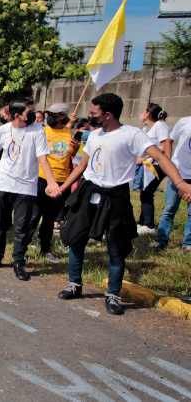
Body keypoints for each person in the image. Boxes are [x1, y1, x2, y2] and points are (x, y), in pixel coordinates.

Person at [57, 93, 191, 315]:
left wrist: (180, 183)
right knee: (75, 239)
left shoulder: (132, 135)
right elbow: (82, 166)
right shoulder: (95, 135)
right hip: (88, 192)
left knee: (116, 248)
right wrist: (62, 188)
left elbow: (161, 157)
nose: (90, 116)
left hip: (115, 198)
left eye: (94, 113)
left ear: (107, 115)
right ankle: (74, 284)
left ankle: (113, 294)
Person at [0, 101, 60, 281]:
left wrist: (51, 183)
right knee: (0, 225)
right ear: (16, 115)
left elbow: (43, 159)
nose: (33, 115)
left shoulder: (37, 131)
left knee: (22, 228)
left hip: (26, 188)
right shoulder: (3, 130)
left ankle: (18, 262)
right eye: (29, 112)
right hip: (3, 185)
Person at [28, 103, 78, 263]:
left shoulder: (68, 132)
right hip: (42, 179)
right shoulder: (42, 131)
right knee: (34, 216)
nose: (49, 117)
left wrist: (74, 150)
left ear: (62, 116)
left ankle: (45, 249)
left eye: (53, 115)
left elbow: (69, 156)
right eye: (48, 114)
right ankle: (22, 248)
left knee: (50, 219)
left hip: (62, 181)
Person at [155, 114, 191, 252]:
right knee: (169, 209)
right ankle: (161, 240)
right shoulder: (184, 121)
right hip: (177, 172)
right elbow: (169, 140)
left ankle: (188, 244)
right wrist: (169, 162)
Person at [137, 103, 171, 234]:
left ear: (149, 114)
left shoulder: (160, 125)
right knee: (144, 191)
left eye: (144, 111)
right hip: (148, 164)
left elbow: (164, 145)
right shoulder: (146, 128)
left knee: (147, 192)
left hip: (157, 164)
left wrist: (146, 157)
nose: (141, 114)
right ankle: (142, 222)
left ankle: (149, 225)